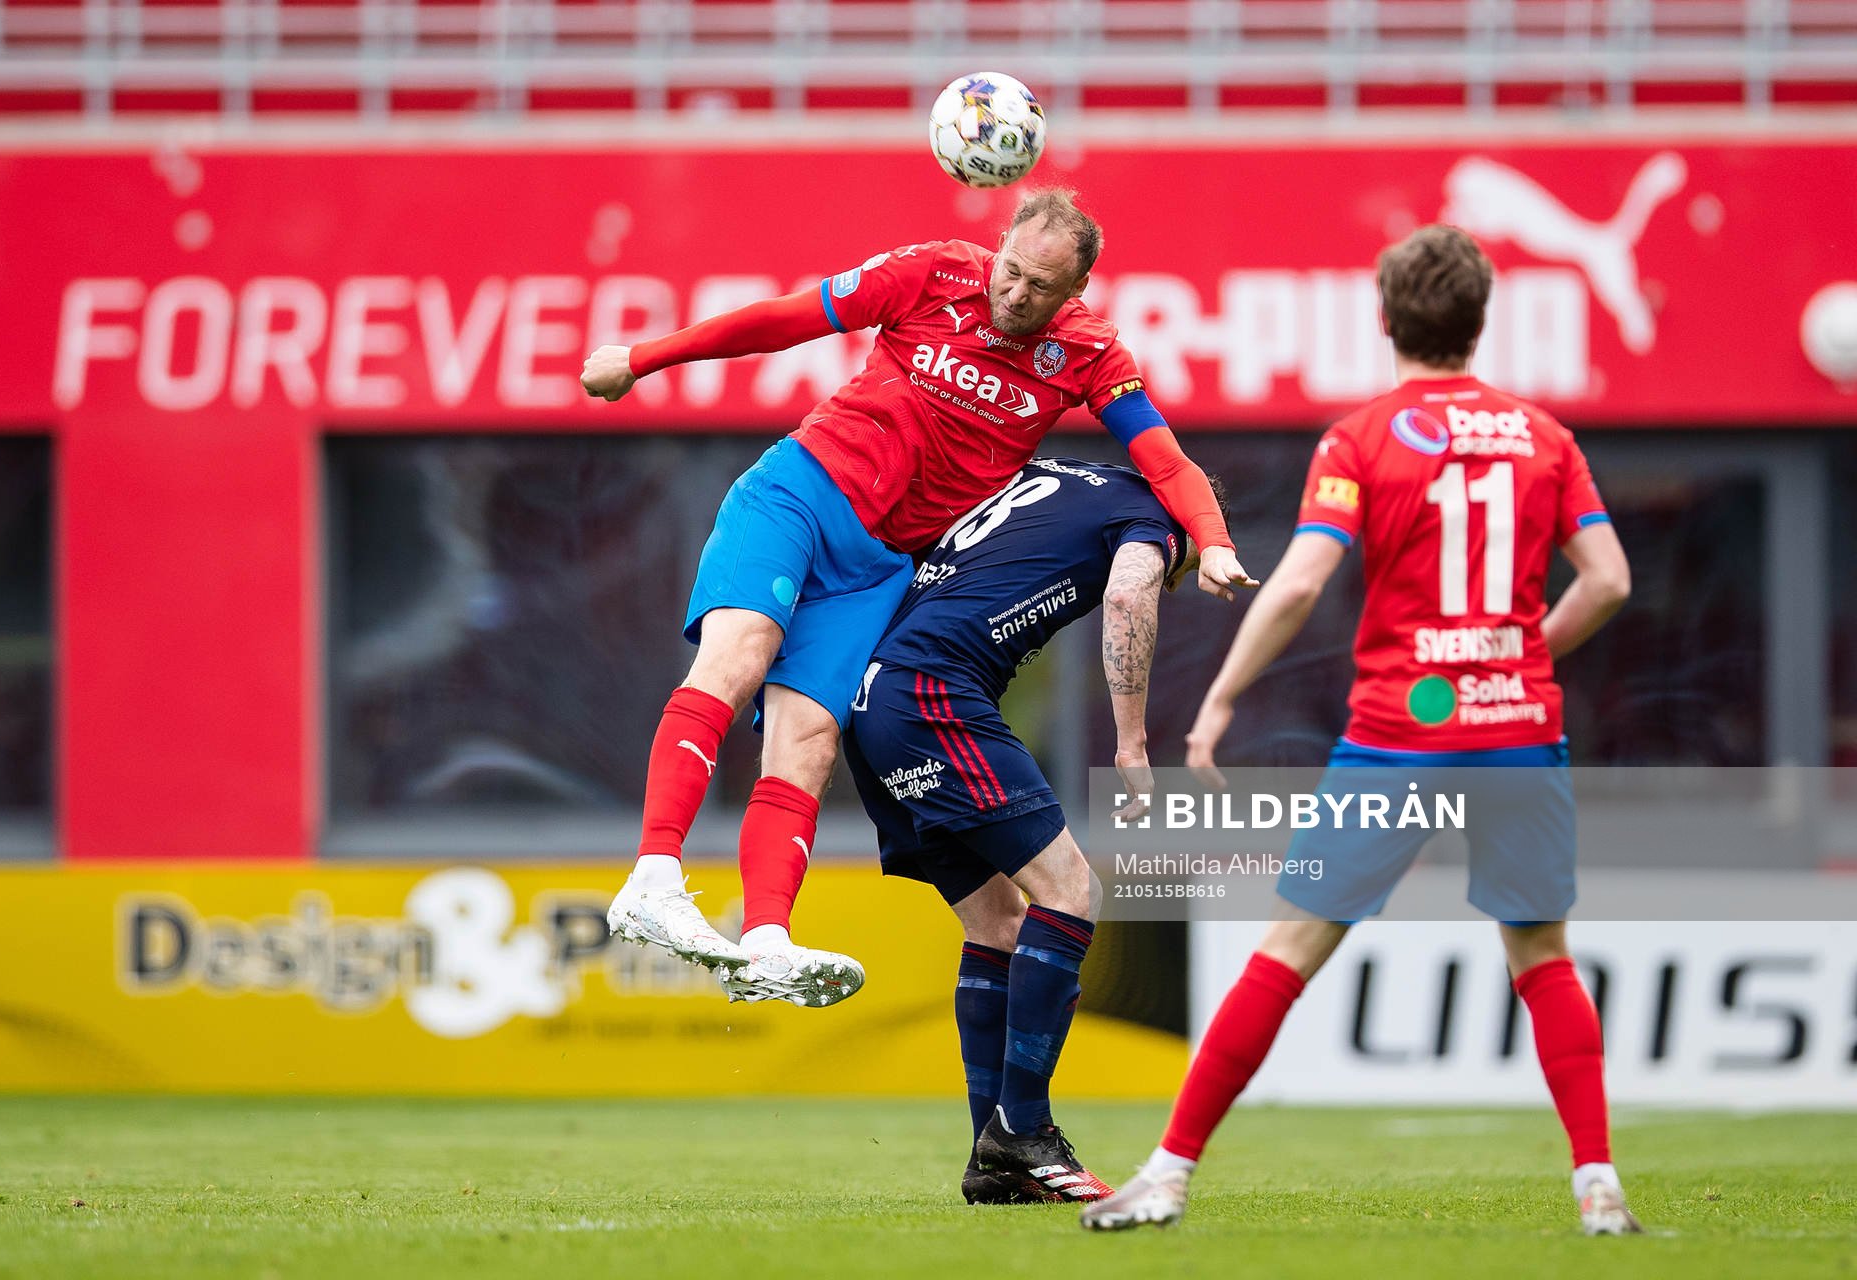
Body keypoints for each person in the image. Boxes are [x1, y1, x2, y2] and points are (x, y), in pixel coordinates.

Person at [1081, 225, 1640, 1235]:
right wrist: (1523, 653)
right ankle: (1599, 1186)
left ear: (1385, 318)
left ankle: (1166, 1174)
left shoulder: (1360, 439)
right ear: (1479, 321)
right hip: (1517, 729)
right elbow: (1608, 580)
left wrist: (1221, 696)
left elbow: (1301, 581)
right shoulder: (1545, 438)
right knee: (1543, 955)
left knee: (1290, 947)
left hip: (1400, 735)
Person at [581, 189, 1254, 1006]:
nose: (1016, 294)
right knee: (739, 658)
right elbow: (785, 320)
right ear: (998, 247)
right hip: (800, 495)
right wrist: (643, 358)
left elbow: (1164, 459)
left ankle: (764, 942)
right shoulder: (930, 271)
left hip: (879, 566)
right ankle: (654, 877)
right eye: (1011, 271)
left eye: (1041, 287)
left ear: (1076, 290)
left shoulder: (1088, 352)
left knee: (810, 740)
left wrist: (1213, 541)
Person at [842, 456, 1212, 1203]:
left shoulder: (1059, 474)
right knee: (1071, 893)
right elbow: (1128, 595)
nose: (1174, 574)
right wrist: (1132, 743)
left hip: (869, 700)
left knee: (999, 925)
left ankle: (993, 1161)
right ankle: (1024, 1129)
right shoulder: (1155, 516)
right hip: (932, 691)